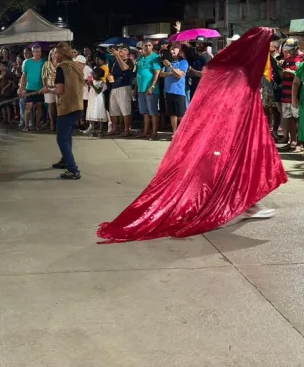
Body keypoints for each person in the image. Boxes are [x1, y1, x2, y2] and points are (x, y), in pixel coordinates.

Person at [97, 28, 286, 241]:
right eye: (273, 45)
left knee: (241, 164)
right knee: (228, 166)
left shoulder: (242, 63)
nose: (274, 49)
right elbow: (221, 89)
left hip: (238, 124)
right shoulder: (237, 65)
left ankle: (249, 204)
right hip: (229, 126)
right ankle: (241, 203)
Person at [50, 42, 86, 180]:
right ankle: (65, 160)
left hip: (66, 108)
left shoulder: (61, 68)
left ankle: (73, 170)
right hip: (77, 106)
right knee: (67, 137)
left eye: (55, 53)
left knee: (62, 139)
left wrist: (48, 90)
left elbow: (60, 90)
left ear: (61, 54)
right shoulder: (75, 66)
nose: (54, 55)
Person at [279, 38, 303, 151]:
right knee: (288, 118)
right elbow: (281, 75)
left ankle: (299, 142)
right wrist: (281, 72)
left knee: (297, 118)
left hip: (297, 95)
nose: (289, 52)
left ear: (297, 48)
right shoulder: (287, 59)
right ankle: (292, 140)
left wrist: (291, 72)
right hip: (286, 93)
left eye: (292, 50)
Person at [160, 44, 188, 136]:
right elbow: (161, 74)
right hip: (168, 91)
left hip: (179, 92)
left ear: (179, 51)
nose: (172, 51)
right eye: (171, 50)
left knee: (181, 114)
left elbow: (179, 75)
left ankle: (184, 132)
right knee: (172, 114)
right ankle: (174, 132)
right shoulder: (168, 62)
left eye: (174, 49)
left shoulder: (183, 62)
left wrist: (171, 68)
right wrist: (170, 73)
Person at [135, 40, 162, 139]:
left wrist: (152, 86)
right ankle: (145, 131)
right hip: (141, 89)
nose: (147, 47)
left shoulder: (155, 57)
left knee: (153, 112)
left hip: (151, 89)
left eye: (149, 45)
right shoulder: (141, 58)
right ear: (142, 47)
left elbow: (157, 73)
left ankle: (154, 133)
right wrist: (136, 88)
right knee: (144, 112)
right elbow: (138, 74)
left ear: (152, 47)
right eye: (145, 46)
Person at [107, 44, 135, 136]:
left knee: (125, 108)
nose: (120, 51)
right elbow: (112, 72)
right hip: (114, 87)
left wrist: (117, 56)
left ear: (127, 52)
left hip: (124, 86)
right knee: (113, 109)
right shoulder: (116, 61)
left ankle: (127, 129)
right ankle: (115, 128)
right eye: (119, 50)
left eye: (122, 50)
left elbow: (125, 68)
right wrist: (110, 77)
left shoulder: (129, 60)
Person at [19, 44, 46, 132]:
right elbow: (24, 76)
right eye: (36, 51)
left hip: (40, 88)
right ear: (32, 52)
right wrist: (22, 88)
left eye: (39, 51)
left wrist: (44, 86)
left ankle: (37, 125)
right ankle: (26, 126)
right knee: (28, 107)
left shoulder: (44, 62)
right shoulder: (27, 62)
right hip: (29, 88)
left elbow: (44, 76)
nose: (37, 53)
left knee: (39, 106)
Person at [41, 48, 58, 131]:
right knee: (51, 105)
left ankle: (58, 123)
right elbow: (43, 76)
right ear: (50, 55)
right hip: (49, 86)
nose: (55, 55)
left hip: (59, 86)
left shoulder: (61, 64)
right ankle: (52, 122)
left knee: (59, 105)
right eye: (53, 53)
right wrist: (45, 87)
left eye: (56, 53)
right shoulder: (46, 64)